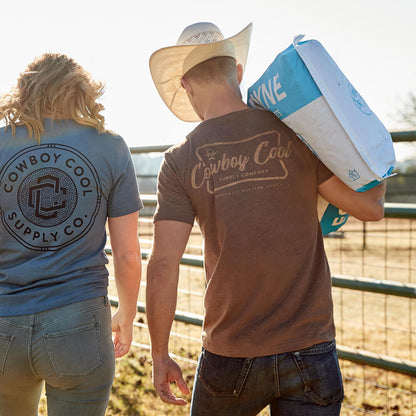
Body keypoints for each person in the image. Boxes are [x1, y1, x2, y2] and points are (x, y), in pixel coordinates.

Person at [146, 22, 386, 416]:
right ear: (238, 72)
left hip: (230, 351)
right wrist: (377, 160)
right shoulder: (297, 133)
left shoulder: (178, 160)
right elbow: (370, 208)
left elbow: (163, 263)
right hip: (310, 348)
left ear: (186, 87)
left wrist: (160, 354)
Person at [0, 53, 142, 416]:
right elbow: (127, 253)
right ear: (81, 91)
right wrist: (126, 316)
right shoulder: (110, 146)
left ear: (25, 92)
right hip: (79, 323)